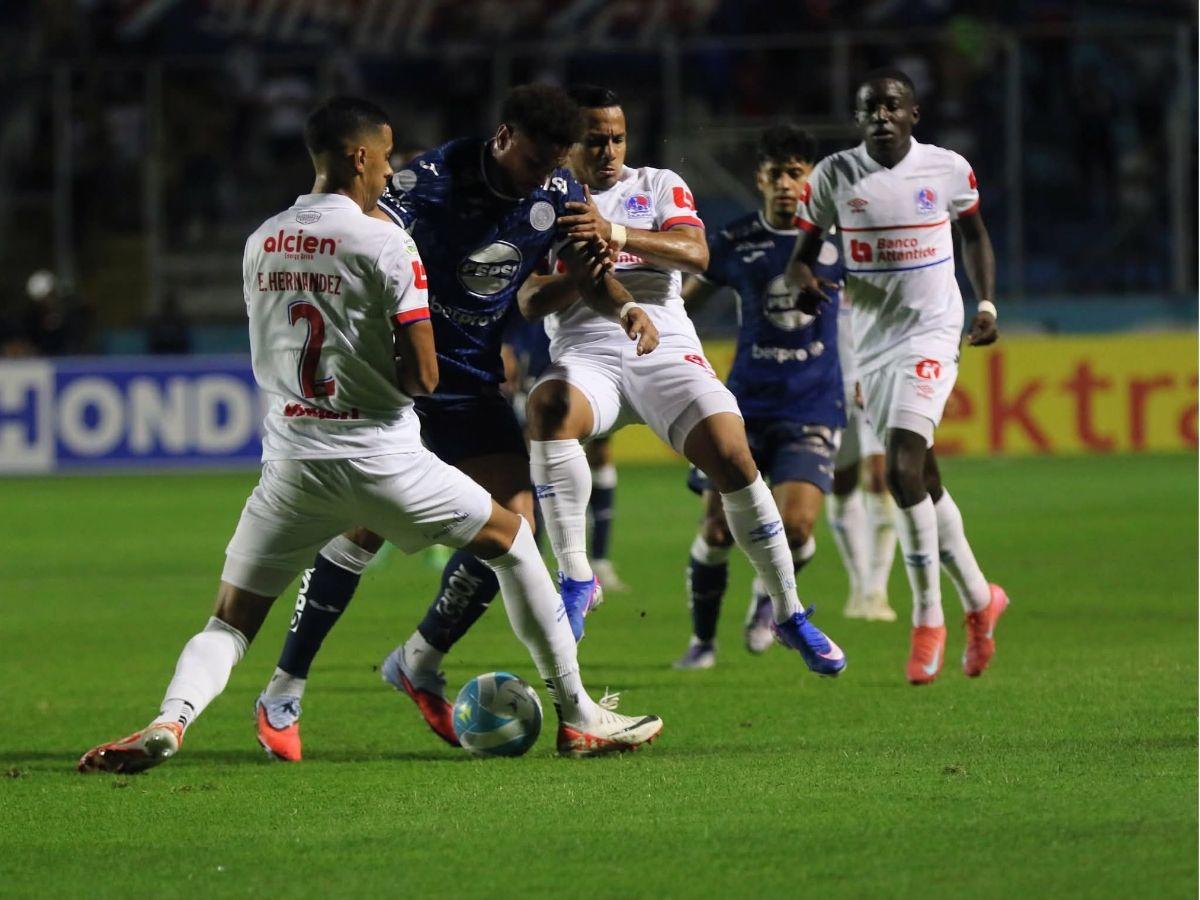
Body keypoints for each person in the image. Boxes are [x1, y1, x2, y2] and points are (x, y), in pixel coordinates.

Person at [77, 97, 661, 774]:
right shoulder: (398, 223)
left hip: (303, 451)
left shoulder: (262, 238)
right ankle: (573, 712)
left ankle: (173, 718)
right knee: (506, 541)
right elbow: (419, 371)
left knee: (230, 619)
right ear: (362, 157)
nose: (390, 171)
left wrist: (620, 301)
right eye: (384, 158)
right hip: (390, 432)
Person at [253, 85, 657, 760]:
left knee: (515, 523)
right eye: (534, 160)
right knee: (363, 530)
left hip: (469, 384)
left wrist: (622, 307)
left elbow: (584, 272)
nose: (542, 175)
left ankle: (420, 659)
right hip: (397, 379)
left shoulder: (558, 191)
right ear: (503, 138)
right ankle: (284, 689)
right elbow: (356, 242)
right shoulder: (428, 183)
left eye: (554, 163)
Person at [521, 87, 845, 676]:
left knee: (731, 452)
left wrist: (614, 233)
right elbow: (529, 300)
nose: (609, 151)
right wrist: (581, 274)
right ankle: (576, 577)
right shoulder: (542, 200)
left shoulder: (657, 185)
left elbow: (695, 253)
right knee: (547, 406)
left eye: (618, 138)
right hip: (587, 351)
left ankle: (789, 612)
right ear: (569, 146)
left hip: (665, 344)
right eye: (595, 140)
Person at [787, 68, 1008, 685]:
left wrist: (987, 304)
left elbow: (975, 237)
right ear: (858, 118)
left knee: (903, 469)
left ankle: (927, 617)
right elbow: (800, 262)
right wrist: (805, 286)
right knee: (926, 479)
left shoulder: (948, 169)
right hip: (873, 343)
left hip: (933, 330)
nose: (881, 115)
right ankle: (981, 599)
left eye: (892, 105)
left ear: (914, 114)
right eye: (870, 108)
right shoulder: (831, 177)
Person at [672, 125, 848, 670]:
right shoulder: (735, 239)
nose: (787, 184)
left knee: (796, 528)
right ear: (760, 179)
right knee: (717, 530)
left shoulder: (838, 241)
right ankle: (702, 642)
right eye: (776, 174)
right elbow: (681, 307)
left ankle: (768, 601)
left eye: (797, 173)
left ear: (811, 180)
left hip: (811, 404)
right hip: (743, 405)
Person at [826, 289, 897, 622]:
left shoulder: (877, 272)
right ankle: (859, 583)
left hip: (875, 382)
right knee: (841, 484)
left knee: (881, 478)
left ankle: (876, 591)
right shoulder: (820, 270)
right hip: (830, 388)